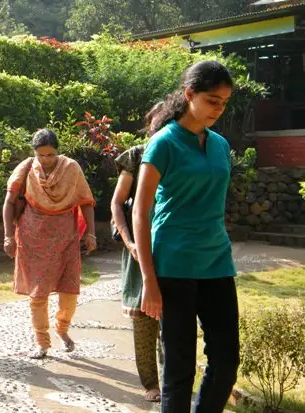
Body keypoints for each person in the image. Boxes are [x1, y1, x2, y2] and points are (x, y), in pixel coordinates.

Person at [133, 60, 239, 412]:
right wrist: (148, 279)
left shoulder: (221, 145)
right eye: (212, 100)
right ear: (190, 94)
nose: (218, 109)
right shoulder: (163, 143)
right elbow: (140, 211)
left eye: (224, 102)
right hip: (174, 265)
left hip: (217, 261)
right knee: (179, 369)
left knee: (226, 362)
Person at [3, 128, 97, 359]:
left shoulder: (71, 169)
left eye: (50, 155)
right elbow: (9, 201)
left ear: (58, 152)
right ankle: (42, 342)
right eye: (41, 155)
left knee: (70, 291)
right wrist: (7, 236)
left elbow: (86, 201)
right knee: (38, 293)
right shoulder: (26, 168)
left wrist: (91, 234)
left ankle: (62, 328)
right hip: (32, 238)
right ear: (34, 153)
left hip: (66, 238)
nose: (46, 160)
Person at [111, 143, 162, 403]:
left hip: (176, 248)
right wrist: (129, 241)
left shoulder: (189, 150)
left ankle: (173, 379)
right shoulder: (137, 155)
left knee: (175, 318)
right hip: (139, 249)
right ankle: (151, 383)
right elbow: (117, 203)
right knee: (144, 320)